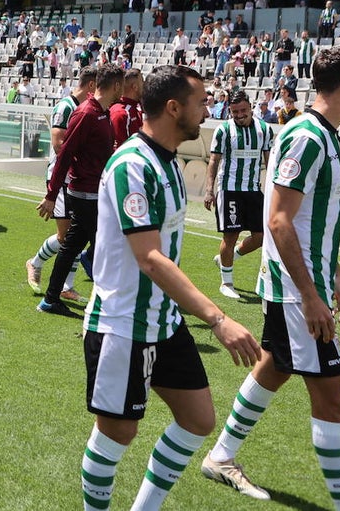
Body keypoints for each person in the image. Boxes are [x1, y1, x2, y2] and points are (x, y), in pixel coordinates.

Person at [79, 65, 261, 511]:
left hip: (164, 320)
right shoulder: (132, 165)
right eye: (201, 102)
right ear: (174, 107)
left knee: (198, 420)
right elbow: (150, 258)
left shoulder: (169, 161)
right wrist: (217, 319)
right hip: (124, 325)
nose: (208, 111)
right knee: (118, 433)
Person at [202, 47, 340, 509]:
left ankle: (221, 456)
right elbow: (277, 220)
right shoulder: (307, 136)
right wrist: (311, 294)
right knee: (335, 402)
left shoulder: (327, 135)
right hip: (296, 293)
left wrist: (333, 273)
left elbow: (313, 218)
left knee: (276, 365)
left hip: (305, 284)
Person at [36, 64, 124, 315]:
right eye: (122, 86)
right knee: (95, 245)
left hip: (95, 192)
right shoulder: (86, 113)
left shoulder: (101, 112)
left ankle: (53, 298)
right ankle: (99, 301)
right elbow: (65, 154)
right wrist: (52, 195)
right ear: (116, 86)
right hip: (85, 194)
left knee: (78, 245)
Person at [27, 66, 96, 299]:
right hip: (62, 176)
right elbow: (58, 143)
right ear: (91, 86)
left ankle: (67, 286)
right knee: (65, 236)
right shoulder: (66, 106)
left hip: (75, 178)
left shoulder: (84, 108)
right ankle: (35, 263)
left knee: (77, 235)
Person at [203, 91, 273, 300]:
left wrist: (272, 189)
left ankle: (228, 257)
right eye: (235, 112)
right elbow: (214, 161)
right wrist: (209, 190)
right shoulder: (224, 130)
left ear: (251, 107)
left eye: (243, 110)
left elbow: (269, 161)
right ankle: (227, 282)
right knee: (230, 235)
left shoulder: (264, 129)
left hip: (253, 190)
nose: (239, 115)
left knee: (261, 237)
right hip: (229, 189)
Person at [110, 68, 144, 147]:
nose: (144, 85)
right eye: (142, 81)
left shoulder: (136, 107)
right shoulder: (121, 113)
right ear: (135, 87)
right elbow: (119, 149)